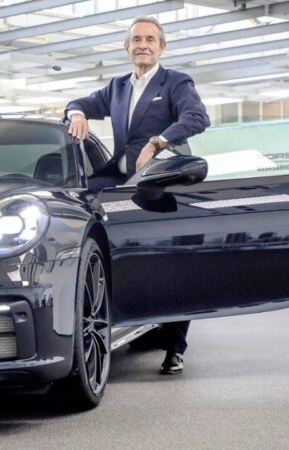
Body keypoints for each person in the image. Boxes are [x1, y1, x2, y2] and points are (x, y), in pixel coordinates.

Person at [65, 16, 210, 375]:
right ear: (126, 47)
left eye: (150, 39)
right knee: (131, 261)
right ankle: (137, 325)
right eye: (136, 40)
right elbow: (78, 101)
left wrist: (159, 141)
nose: (143, 45)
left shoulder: (175, 82)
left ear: (162, 47)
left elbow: (198, 117)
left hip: (164, 183)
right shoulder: (117, 87)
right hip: (125, 186)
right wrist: (77, 113)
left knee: (173, 266)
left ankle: (175, 347)